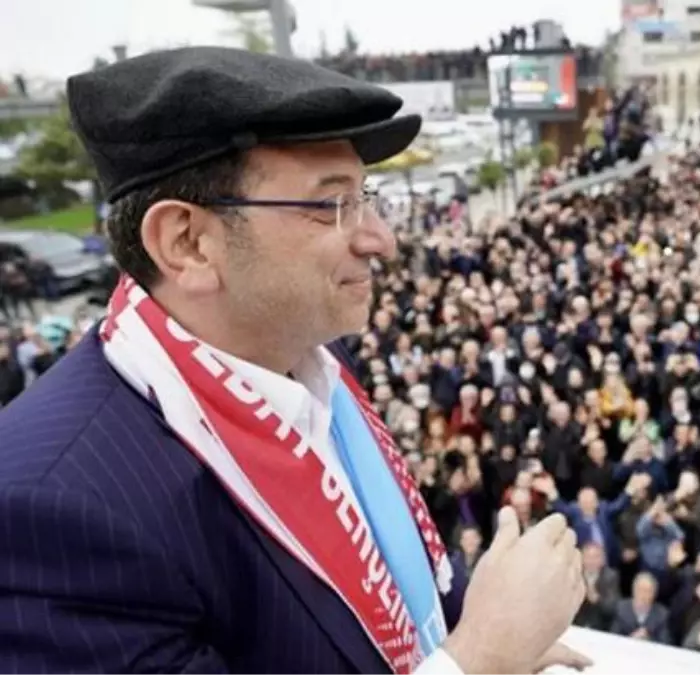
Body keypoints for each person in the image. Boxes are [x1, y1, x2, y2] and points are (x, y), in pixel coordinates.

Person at [0, 47, 588, 675]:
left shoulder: (305, 354)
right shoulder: (52, 512)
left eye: (366, 197)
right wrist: (481, 659)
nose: (380, 239)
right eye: (331, 205)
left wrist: (472, 634)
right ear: (188, 242)